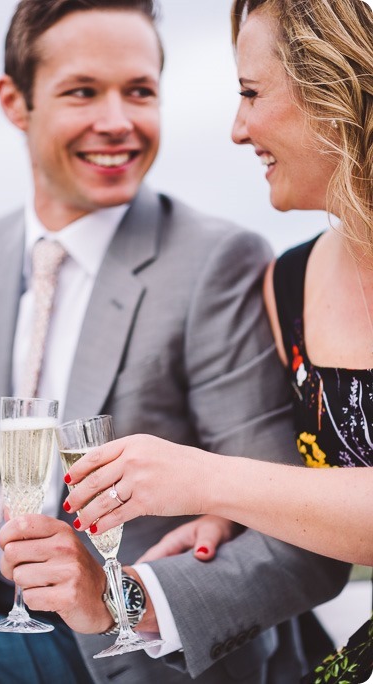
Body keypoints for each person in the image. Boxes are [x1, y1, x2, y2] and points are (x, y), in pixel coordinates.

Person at [0, 0, 349, 683]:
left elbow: (293, 537)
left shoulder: (219, 261)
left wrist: (121, 602)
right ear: (14, 101)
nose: (118, 122)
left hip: (115, 646)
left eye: (140, 91)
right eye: (83, 91)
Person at [60, 0, 373, 681]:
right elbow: (321, 503)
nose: (237, 129)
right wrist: (237, 514)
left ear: (337, 85)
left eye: (252, 93)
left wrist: (207, 479)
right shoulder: (286, 285)